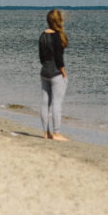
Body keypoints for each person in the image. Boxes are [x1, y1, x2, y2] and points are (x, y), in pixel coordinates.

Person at [39, 9, 69, 141]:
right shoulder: (58, 36)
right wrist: (64, 73)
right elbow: (59, 58)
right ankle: (56, 133)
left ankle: (46, 132)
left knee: (45, 103)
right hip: (56, 72)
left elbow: (41, 57)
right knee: (57, 103)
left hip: (44, 71)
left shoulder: (42, 35)